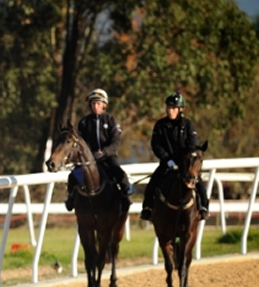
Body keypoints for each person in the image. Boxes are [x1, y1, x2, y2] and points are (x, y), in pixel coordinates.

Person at [140, 92, 209, 221]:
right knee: (153, 183)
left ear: (180, 109)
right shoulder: (160, 125)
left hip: (185, 164)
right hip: (167, 163)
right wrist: (167, 160)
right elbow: (156, 145)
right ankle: (147, 208)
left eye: (173, 108)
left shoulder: (188, 125)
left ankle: (204, 207)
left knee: (198, 182)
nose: (169, 110)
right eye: (168, 107)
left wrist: (183, 161)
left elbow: (193, 145)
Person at [65, 88, 134, 212]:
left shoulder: (111, 120)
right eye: (93, 103)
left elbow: (116, 141)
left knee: (119, 173)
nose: (95, 106)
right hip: (89, 158)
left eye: (98, 103)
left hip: (107, 157)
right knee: (73, 175)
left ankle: (125, 197)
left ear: (104, 105)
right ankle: (70, 197)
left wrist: (105, 152)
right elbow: (80, 142)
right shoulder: (84, 122)